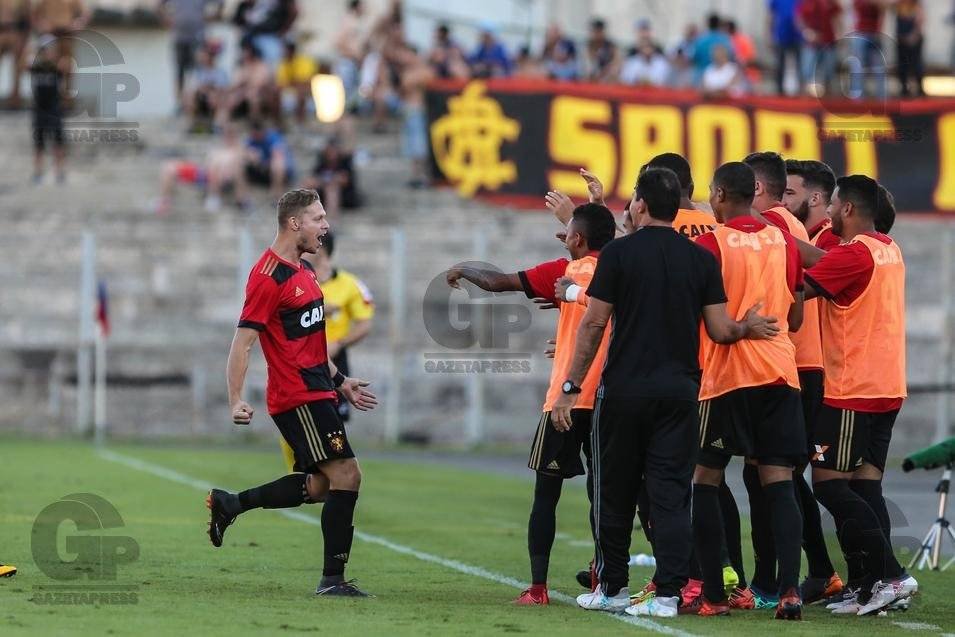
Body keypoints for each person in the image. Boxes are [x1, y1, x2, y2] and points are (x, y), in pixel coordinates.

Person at [558, 166, 780, 617]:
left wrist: (570, 385)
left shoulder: (619, 255)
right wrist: (747, 328)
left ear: (639, 204)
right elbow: (720, 330)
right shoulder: (700, 257)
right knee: (672, 495)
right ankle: (668, 595)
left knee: (613, 493)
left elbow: (596, 322)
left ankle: (613, 588)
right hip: (681, 392)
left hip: (623, 390)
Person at [445, 203, 617, 606]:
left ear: (576, 238)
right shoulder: (620, 272)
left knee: (546, 494)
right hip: (610, 400)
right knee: (606, 494)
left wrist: (461, 268)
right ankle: (603, 576)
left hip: (566, 399)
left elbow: (497, 282)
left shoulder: (565, 272)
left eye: (570, 231)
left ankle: (538, 587)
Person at [211, 189, 378, 597]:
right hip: (297, 396)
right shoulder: (269, 276)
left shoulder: (304, 272)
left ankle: (230, 504)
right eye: (318, 218)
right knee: (348, 474)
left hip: (320, 390)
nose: (325, 226)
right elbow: (243, 343)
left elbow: (312, 346)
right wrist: (235, 399)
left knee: (321, 486)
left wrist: (342, 382)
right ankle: (332, 581)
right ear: (294, 223)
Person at [691, 161, 806, 620]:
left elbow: (706, 322)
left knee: (705, 479)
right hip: (780, 373)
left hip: (727, 377)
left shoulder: (710, 244)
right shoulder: (782, 240)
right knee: (778, 481)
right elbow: (795, 317)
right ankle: (790, 591)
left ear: (719, 195)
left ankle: (715, 596)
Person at [802, 176, 918, 615]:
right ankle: (867, 586)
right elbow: (829, 260)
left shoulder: (854, 255)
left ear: (847, 208)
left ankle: (891, 574)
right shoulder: (886, 247)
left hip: (852, 390)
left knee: (829, 487)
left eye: (832, 204)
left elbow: (807, 282)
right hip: (887, 386)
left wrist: (772, 234)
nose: (828, 211)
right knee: (866, 490)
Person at [778, 158, 847, 603]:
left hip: (820, 374)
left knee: (792, 475)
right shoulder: (817, 240)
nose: (784, 202)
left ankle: (842, 571)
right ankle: (828, 572)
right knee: (787, 475)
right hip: (814, 373)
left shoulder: (831, 244)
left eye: (789, 194)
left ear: (816, 198)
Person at [274, 231, 374, 462]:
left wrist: (339, 343)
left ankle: (333, 476)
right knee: (293, 418)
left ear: (323, 251)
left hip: (333, 363)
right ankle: (302, 475)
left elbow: (365, 323)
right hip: (298, 362)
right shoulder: (294, 279)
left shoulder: (350, 285)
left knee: (332, 422)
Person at [159, 0, 223, 108]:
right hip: (179, 37)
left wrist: (212, 18)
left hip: (197, 38)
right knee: (180, 72)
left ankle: (199, 103)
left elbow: (220, 3)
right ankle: (179, 104)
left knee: (199, 71)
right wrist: (165, 19)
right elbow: (159, 5)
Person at [32, 0, 89, 97]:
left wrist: (77, 23)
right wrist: (41, 25)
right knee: (47, 64)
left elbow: (84, 14)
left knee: (67, 64)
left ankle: (66, 97)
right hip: (49, 34)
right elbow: (35, 14)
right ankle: (47, 95)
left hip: (66, 34)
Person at [395, 45, 433, 188]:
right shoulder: (407, 71)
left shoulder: (422, 70)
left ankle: (422, 175)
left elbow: (413, 83)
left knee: (419, 144)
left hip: (417, 109)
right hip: (408, 109)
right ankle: (415, 175)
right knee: (411, 145)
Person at [30, 34, 64, 184]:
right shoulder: (34, 67)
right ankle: (38, 173)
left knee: (58, 142)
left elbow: (67, 67)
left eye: (48, 50)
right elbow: (22, 63)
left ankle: (59, 173)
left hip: (54, 110)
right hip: (39, 110)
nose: (46, 53)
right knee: (39, 144)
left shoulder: (59, 67)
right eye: (43, 50)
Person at [302, 138, 359, 219]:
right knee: (308, 184)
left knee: (331, 188)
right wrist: (322, 181)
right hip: (322, 194)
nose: (331, 154)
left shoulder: (345, 162)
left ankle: (331, 219)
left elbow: (344, 180)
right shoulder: (322, 162)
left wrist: (325, 181)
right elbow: (313, 178)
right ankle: (304, 215)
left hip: (345, 197)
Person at [797, 0, 842, 96]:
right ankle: (807, 97)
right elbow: (799, 18)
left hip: (828, 41)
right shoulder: (806, 2)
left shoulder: (831, 2)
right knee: (807, 71)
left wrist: (840, 34)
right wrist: (806, 32)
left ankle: (828, 98)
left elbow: (837, 17)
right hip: (811, 43)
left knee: (829, 72)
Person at [182, 41, 229, 131]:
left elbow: (222, 88)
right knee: (189, 93)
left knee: (217, 96)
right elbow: (194, 86)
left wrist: (209, 90)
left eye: (204, 55)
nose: (201, 58)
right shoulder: (197, 71)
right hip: (201, 98)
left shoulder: (220, 72)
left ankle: (217, 125)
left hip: (215, 98)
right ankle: (191, 122)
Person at [244, 119, 294, 201]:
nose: (255, 136)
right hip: (261, 171)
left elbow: (278, 154)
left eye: (257, 134)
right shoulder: (251, 139)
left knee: (278, 163)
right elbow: (245, 151)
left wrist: (262, 161)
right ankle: (243, 195)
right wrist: (250, 155)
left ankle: (277, 193)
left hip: (281, 172)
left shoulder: (273, 137)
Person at [849, 0, 887, 99]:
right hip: (861, 33)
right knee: (858, 65)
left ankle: (881, 96)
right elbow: (855, 9)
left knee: (879, 67)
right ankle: (857, 95)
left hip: (875, 34)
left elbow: (883, 7)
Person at [276, 40, 316, 124]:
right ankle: (279, 123)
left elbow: (306, 82)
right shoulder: (283, 63)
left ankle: (300, 122)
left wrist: (292, 83)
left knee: (301, 93)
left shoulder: (304, 61)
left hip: (303, 91)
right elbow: (281, 84)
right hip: (289, 92)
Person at [769, 0, 803, 95]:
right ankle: (780, 91)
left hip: (798, 37)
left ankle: (799, 90)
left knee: (799, 65)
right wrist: (770, 36)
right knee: (780, 65)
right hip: (781, 36)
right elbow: (771, 17)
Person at [0, 0, 30, 106]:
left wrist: (24, 39)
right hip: (2, 30)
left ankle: (15, 97)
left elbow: (27, 18)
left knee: (17, 66)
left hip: (16, 31)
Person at [692, 13, 734, 83]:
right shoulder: (725, 39)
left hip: (701, 75)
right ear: (719, 24)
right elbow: (731, 56)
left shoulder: (701, 39)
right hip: (720, 78)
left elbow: (694, 57)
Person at [895, 0, 924, 97]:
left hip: (914, 39)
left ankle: (919, 89)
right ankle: (904, 88)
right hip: (902, 39)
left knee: (916, 64)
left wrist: (914, 35)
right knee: (902, 65)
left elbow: (920, 19)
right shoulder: (899, 5)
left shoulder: (916, 5)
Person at [584, 18, 618, 82]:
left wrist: (607, 70)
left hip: (607, 77)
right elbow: (588, 66)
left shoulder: (610, 45)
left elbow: (616, 62)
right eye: (594, 31)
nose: (595, 34)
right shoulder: (589, 45)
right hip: (593, 78)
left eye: (598, 31)